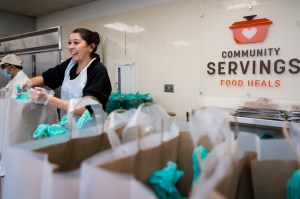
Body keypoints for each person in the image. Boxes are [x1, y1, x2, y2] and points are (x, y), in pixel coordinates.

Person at [20, 28, 112, 115]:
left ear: (91, 47)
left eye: (76, 43)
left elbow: (87, 108)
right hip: (67, 126)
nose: (71, 47)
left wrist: (48, 99)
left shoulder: (98, 70)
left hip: (90, 129)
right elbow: (47, 77)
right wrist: (28, 83)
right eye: (69, 43)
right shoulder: (69, 65)